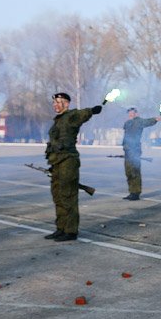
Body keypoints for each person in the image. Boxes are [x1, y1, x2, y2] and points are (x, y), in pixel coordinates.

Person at [44, 92, 102, 242]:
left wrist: (92, 111)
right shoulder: (58, 120)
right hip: (57, 162)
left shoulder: (71, 116)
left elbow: (82, 114)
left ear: (66, 103)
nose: (55, 105)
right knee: (57, 196)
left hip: (68, 161)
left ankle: (70, 231)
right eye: (54, 103)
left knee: (68, 196)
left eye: (58, 102)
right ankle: (61, 228)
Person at [121, 107, 161, 200]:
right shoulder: (127, 123)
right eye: (129, 113)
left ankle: (136, 193)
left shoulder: (138, 121)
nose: (131, 114)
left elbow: (147, 122)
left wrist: (155, 119)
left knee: (135, 172)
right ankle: (131, 191)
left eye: (132, 113)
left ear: (136, 114)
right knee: (128, 172)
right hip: (127, 151)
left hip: (135, 150)